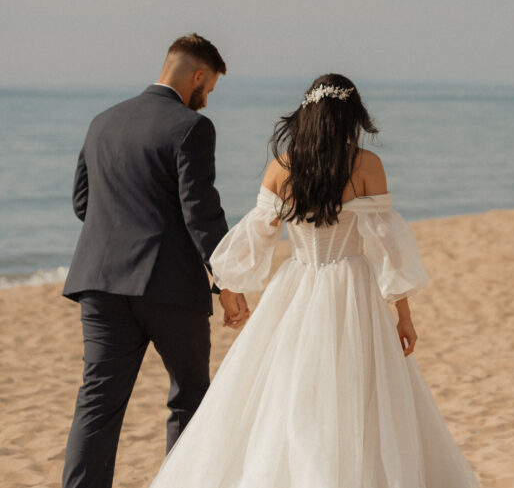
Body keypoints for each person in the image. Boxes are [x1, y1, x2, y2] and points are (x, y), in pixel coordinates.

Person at [146, 73, 479, 487]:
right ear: (349, 116)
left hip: (296, 287)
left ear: (307, 115)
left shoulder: (281, 167)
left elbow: (254, 240)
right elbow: (386, 246)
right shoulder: (366, 165)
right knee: (360, 394)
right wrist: (404, 314)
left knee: (289, 393)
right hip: (353, 287)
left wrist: (232, 291)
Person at [62, 34, 250, 488]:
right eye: (208, 89)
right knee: (188, 399)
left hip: (102, 284)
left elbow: (83, 203)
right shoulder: (191, 128)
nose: (206, 100)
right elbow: (201, 214)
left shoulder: (102, 122)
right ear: (197, 76)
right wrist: (229, 283)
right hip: (170, 289)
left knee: (97, 403)